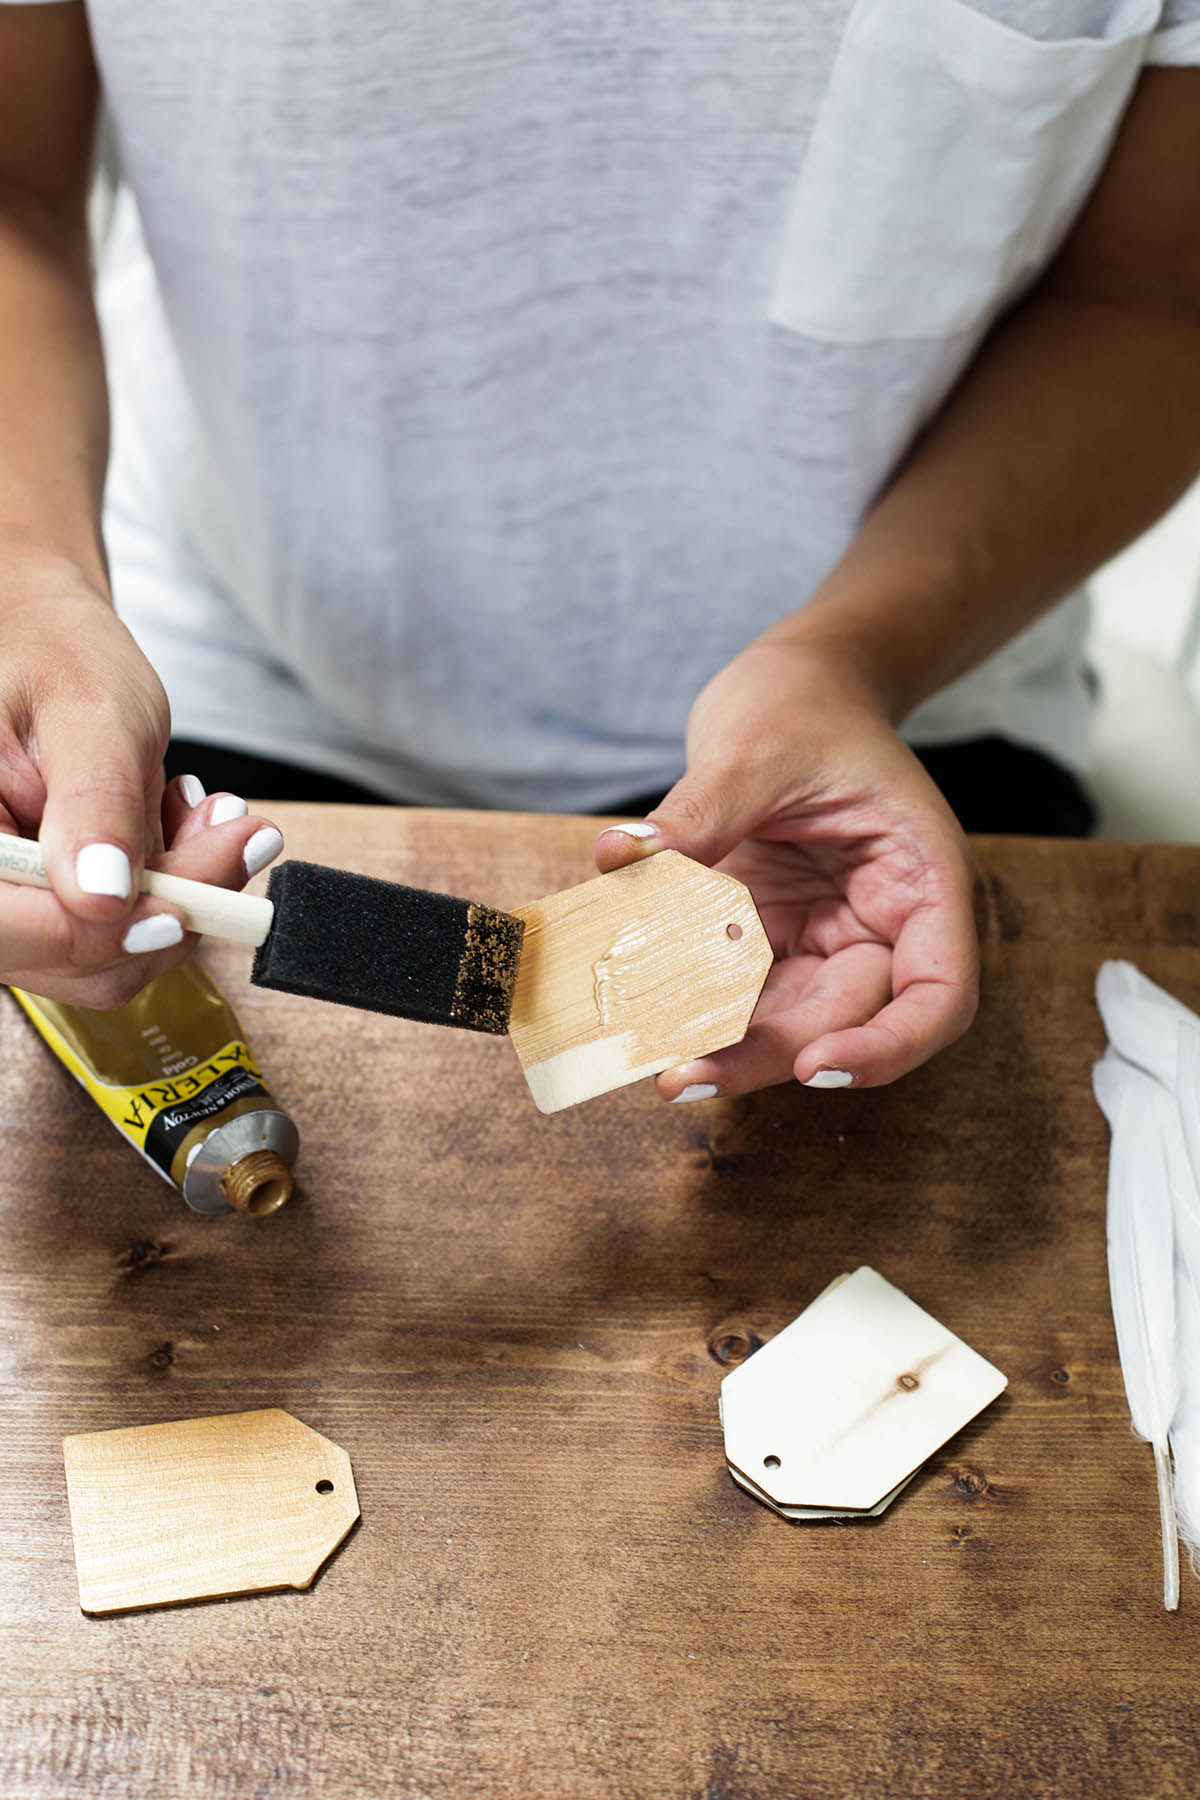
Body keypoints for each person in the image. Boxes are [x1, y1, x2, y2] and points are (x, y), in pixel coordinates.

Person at [1, 2, 1198, 1105]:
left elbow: (1155, 299)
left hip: (890, 718)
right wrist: (31, 578)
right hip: (217, 668)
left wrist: (847, 657)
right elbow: (17, 187)